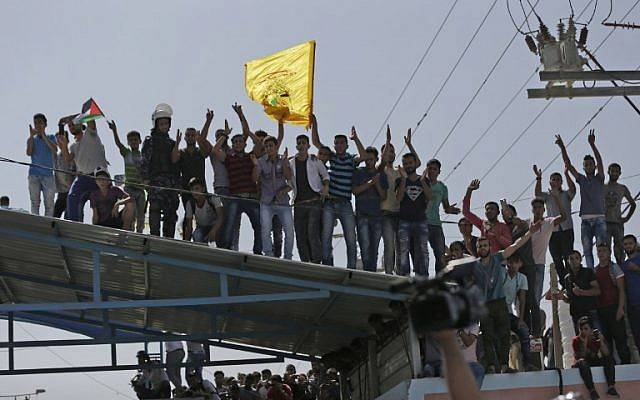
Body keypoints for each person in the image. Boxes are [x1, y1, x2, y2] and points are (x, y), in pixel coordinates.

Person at [449, 220, 540, 374]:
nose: (483, 248)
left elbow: (515, 246)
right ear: (476, 249)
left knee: (504, 334)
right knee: (488, 336)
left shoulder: (497, 258)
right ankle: (491, 366)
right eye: (480, 246)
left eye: (485, 246)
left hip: (499, 303)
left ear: (490, 248)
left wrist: (530, 233)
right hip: (483, 305)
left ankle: (504, 366)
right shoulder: (473, 265)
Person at [311, 114, 367, 269]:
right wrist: (314, 122)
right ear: (334, 146)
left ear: (346, 145)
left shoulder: (350, 159)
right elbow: (316, 142)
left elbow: (364, 156)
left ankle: (351, 267)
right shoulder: (332, 157)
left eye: (342, 143)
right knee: (326, 235)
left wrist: (356, 139)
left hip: (345, 203)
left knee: (351, 237)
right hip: (330, 202)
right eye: (337, 143)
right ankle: (328, 265)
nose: (339, 145)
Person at [212, 104, 262, 254]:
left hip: (251, 196)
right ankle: (227, 248)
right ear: (232, 145)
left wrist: (241, 116)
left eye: (241, 142)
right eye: (236, 142)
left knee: (258, 225)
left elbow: (259, 143)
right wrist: (225, 135)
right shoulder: (229, 157)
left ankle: (258, 250)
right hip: (235, 196)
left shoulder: (250, 156)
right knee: (230, 223)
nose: (238, 144)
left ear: (245, 144)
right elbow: (215, 150)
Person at [556, 131, 606, 269]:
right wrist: (562, 148)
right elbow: (568, 164)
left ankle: (604, 268)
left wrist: (592, 145)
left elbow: (600, 162)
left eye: (591, 164)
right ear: (584, 167)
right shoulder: (582, 180)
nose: (589, 166)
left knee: (602, 247)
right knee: (587, 249)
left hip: (599, 218)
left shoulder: (599, 178)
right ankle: (591, 272)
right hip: (585, 220)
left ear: (594, 167)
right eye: (587, 165)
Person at [140, 103, 181, 238]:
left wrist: (177, 144)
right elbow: (145, 161)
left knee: (171, 213)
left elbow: (175, 163)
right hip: (156, 181)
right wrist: (145, 179)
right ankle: (154, 237)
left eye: (166, 124)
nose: (164, 126)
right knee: (155, 209)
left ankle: (168, 239)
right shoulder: (150, 141)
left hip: (171, 183)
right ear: (156, 125)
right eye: (161, 124)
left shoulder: (171, 143)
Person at [58, 115, 108, 222]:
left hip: (99, 175)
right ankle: (74, 223)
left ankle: (104, 224)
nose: (71, 127)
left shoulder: (90, 134)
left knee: (103, 203)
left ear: (81, 123)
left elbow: (90, 115)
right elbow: (67, 159)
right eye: (69, 126)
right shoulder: (73, 146)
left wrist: (70, 117)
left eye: (73, 124)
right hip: (83, 177)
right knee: (72, 197)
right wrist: (63, 145)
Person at [289, 133, 329, 264]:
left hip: (314, 201)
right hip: (299, 203)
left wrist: (325, 187)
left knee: (312, 231)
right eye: (299, 143)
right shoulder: (291, 163)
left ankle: (317, 261)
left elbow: (325, 175)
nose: (301, 146)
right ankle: (305, 262)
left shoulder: (314, 160)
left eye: (303, 143)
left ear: (308, 146)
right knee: (300, 234)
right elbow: (288, 180)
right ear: (296, 146)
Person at [535, 166, 576, 286]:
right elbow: (537, 194)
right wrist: (538, 177)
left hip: (567, 228)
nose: (556, 181)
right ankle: (564, 284)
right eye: (553, 179)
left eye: (558, 179)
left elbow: (573, 189)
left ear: (561, 182)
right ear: (550, 181)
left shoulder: (566, 195)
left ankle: (572, 281)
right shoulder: (547, 196)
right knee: (557, 258)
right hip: (553, 231)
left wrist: (567, 173)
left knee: (568, 257)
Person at [253, 136, 294, 259]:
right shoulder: (260, 161)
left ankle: (288, 257)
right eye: (266, 146)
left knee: (289, 231)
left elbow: (289, 177)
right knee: (265, 229)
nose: (269, 148)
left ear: (276, 147)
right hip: (266, 202)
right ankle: (269, 255)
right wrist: (255, 166)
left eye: (271, 146)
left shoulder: (283, 159)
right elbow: (254, 179)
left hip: (283, 202)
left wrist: (286, 164)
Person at [395, 153, 433, 276]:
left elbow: (430, 196)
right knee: (403, 249)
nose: (408, 166)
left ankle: (422, 275)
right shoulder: (400, 180)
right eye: (405, 163)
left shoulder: (424, 179)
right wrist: (404, 180)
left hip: (420, 219)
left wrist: (422, 181)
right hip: (404, 219)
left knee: (422, 249)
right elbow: (399, 198)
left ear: (415, 163)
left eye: (410, 163)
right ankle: (404, 275)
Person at [593, 244, 630, 364]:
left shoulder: (614, 268)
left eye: (604, 250)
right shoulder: (595, 270)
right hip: (601, 310)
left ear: (609, 253)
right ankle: (611, 367)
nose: (601, 253)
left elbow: (621, 290)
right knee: (606, 340)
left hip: (614, 307)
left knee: (620, 339)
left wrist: (620, 309)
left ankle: (626, 365)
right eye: (599, 251)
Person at [352, 146, 387, 272]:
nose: (368, 161)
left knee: (374, 248)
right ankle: (367, 273)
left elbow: (383, 196)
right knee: (364, 246)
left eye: (371, 159)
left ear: (376, 159)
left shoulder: (381, 175)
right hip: (362, 215)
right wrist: (370, 183)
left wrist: (376, 183)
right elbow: (355, 191)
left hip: (376, 216)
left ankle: (371, 273)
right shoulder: (359, 172)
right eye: (366, 159)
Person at [107, 120, 145, 233]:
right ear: (128, 142)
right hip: (129, 187)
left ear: (140, 141)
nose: (133, 142)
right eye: (131, 140)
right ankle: (130, 231)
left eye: (135, 140)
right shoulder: (127, 153)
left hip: (140, 189)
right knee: (131, 211)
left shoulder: (143, 156)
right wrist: (114, 130)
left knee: (141, 214)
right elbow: (118, 144)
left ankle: (140, 233)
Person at [178, 113, 214, 229]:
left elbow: (207, 150)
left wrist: (208, 121)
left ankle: (202, 240)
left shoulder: (200, 151)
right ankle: (186, 240)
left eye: (192, 135)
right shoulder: (181, 152)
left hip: (201, 188)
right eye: (188, 135)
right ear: (185, 137)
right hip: (186, 189)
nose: (190, 137)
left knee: (204, 217)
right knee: (188, 216)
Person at [425, 158, 460, 274]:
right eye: (429, 168)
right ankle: (422, 277)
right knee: (422, 252)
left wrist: (451, 210)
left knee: (440, 254)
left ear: (439, 172)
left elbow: (446, 207)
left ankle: (439, 280)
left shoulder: (442, 188)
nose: (431, 171)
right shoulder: (421, 183)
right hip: (422, 223)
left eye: (434, 169)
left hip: (435, 224)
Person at [572, 316, 619, 400]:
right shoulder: (576, 340)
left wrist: (601, 341)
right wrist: (585, 340)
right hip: (581, 363)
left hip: (593, 360)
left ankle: (611, 387)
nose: (583, 331)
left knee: (608, 359)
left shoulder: (595, 338)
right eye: (581, 329)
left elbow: (606, 353)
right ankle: (592, 390)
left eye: (586, 329)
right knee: (583, 362)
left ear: (591, 329)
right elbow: (582, 356)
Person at [462, 179, 512, 254]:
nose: (489, 211)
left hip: (497, 260)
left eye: (492, 209)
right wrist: (469, 191)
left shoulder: (503, 226)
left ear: (498, 212)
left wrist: (496, 234)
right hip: (484, 260)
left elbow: (508, 244)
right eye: (487, 209)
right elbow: (466, 212)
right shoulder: (483, 223)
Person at [503, 254, 534, 370]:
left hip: (509, 313)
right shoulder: (502, 274)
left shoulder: (522, 278)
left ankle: (528, 363)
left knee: (524, 331)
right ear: (507, 263)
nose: (514, 265)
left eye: (517, 262)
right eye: (511, 262)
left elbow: (522, 299)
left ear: (520, 264)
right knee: (503, 335)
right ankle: (504, 365)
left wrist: (520, 320)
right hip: (498, 312)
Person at [562, 250, 602, 334]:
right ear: (568, 261)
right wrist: (562, 297)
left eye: (576, 258)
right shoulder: (567, 278)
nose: (574, 261)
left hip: (590, 311)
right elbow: (570, 299)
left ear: (580, 259)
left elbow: (597, 290)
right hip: (576, 314)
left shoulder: (588, 272)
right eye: (571, 259)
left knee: (597, 339)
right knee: (582, 343)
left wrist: (582, 292)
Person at [604, 163, 636, 265]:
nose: (614, 173)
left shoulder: (622, 188)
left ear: (620, 173)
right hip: (605, 223)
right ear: (608, 172)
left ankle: (622, 269)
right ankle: (608, 270)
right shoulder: (603, 187)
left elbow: (633, 204)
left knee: (619, 249)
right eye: (612, 171)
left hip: (617, 223)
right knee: (606, 248)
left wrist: (626, 218)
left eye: (616, 172)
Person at [26, 113, 57, 216]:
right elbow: (29, 152)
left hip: (48, 175)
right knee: (35, 202)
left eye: (40, 123)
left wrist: (43, 135)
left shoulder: (51, 137)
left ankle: (47, 225)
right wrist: (31, 136)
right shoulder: (32, 139)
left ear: (45, 124)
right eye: (35, 123)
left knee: (49, 203)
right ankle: (35, 223)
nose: (37, 125)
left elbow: (54, 149)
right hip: (34, 174)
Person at [183, 178, 224, 245]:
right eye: (192, 190)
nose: (195, 192)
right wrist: (186, 243)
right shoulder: (190, 203)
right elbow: (189, 226)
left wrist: (213, 232)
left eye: (197, 189)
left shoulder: (213, 198)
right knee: (197, 235)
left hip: (215, 226)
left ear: (203, 189)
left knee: (219, 237)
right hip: (201, 227)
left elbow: (221, 217)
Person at [53, 122, 76, 218]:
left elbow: (74, 169)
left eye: (61, 139)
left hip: (70, 190)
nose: (59, 142)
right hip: (61, 191)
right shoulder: (57, 156)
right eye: (57, 140)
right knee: (55, 215)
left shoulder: (72, 153)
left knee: (68, 215)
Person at [621, 234, 640, 349]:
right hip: (632, 307)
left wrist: (637, 269)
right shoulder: (624, 265)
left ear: (635, 245)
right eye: (626, 244)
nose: (628, 246)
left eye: (630, 243)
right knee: (637, 338)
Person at [456, 322, 485, 388]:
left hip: (471, 364)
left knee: (479, 369)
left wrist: (460, 330)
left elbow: (468, 342)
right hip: (455, 363)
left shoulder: (474, 326)